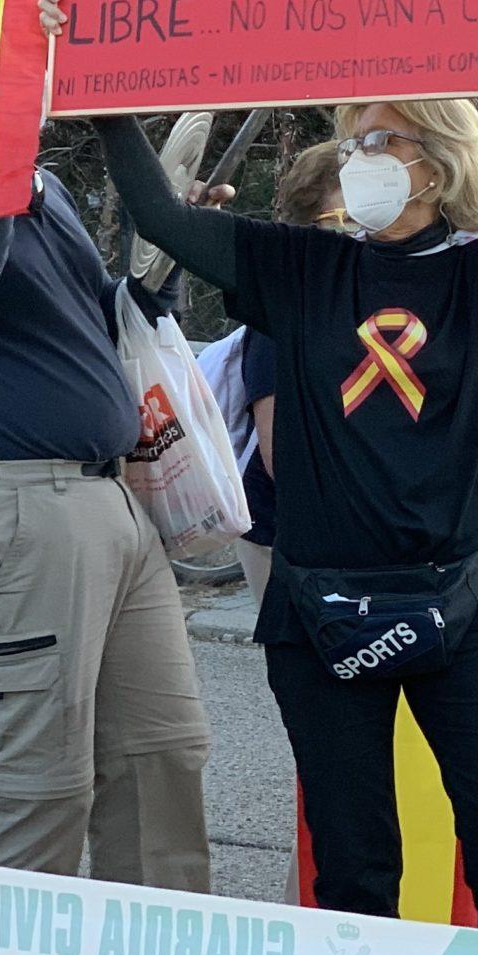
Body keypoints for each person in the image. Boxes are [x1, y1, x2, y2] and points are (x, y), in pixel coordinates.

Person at [74, 0, 478, 955]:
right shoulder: (299, 269)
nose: (364, 156)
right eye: (355, 137)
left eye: (386, 140)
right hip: (322, 618)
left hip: (467, 611)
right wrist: (106, 96)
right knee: (357, 864)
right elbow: (155, 214)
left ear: (436, 160)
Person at [0, 83, 263, 955]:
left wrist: (159, 263)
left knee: (158, 762)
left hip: (104, 499)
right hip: (12, 507)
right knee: (32, 788)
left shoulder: (39, 185)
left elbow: (96, 322)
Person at [196, 141, 350, 612]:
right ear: (312, 219)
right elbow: (279, 452)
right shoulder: (288, 309)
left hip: (337, 532)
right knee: (304, 673)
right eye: (346, 216)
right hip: (284, 535)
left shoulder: (355, 293)